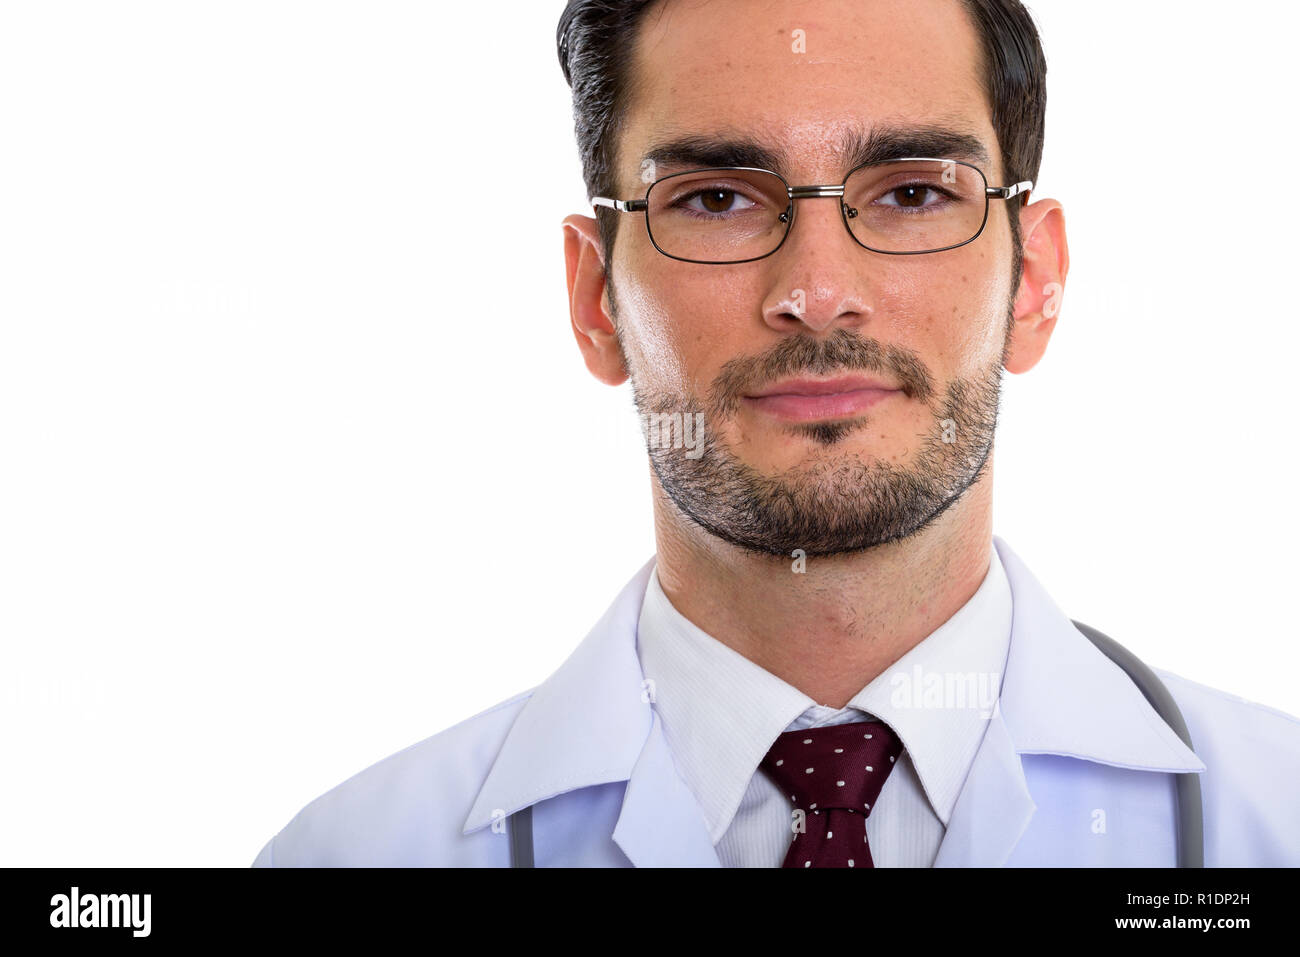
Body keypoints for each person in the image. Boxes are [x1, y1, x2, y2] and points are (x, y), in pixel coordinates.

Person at [251, 0, 1300, 867]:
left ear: (1032, 282)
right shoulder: (352, 854)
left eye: (912, 193)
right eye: (715, 199)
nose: (817, 292)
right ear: (594, 299)